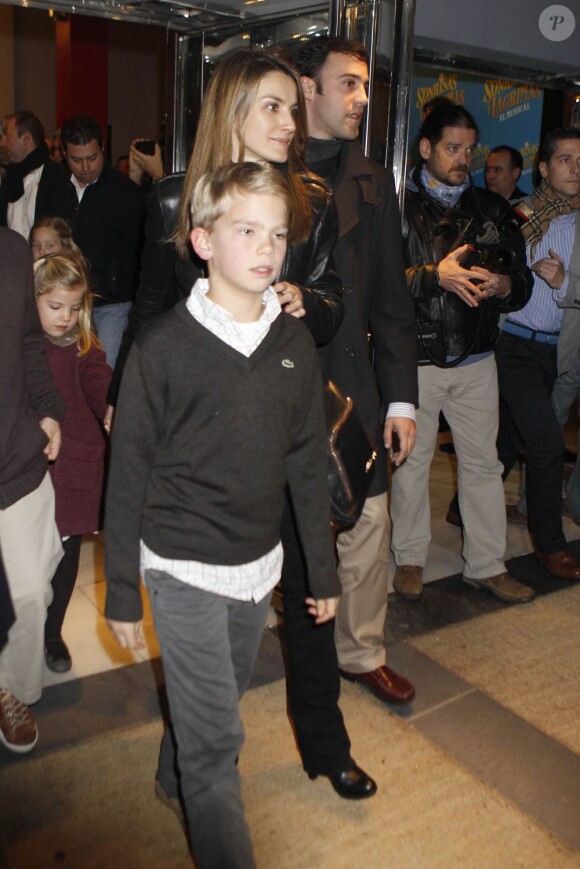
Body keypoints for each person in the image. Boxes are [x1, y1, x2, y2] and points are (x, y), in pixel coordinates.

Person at [110, 49, 375, 801]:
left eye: (294, 108)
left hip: (282, 413)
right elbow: (150, 301)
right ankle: (189, 760)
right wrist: (123, 398)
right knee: (203, 640)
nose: (290, 122)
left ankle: (326, 746)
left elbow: (333, 305)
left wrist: (298, 296)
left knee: (308, 578)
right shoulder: (174, 199)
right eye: (273, 106)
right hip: (194, 426)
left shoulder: (312, 196)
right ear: (232, 110)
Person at [105, 161, 340, 868]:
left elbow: (306, 464)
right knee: (217, 747)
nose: (267, 248)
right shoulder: (162, 347)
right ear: (203, 240)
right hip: (179, 563)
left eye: (277, 233)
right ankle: (196, 784)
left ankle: (168, 773)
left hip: (256, 564)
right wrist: (121, 584)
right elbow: (128, 473)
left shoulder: (293, 343)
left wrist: (321, 574)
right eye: (246, 231)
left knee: (215, 698)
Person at [290, 37, 418, 711]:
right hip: (279, 382)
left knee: (368, 522)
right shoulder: (262, 171)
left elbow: (394, 305)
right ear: (308, 89)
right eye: (348, 84)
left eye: (365, 85)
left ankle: (361, 649)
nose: (361, 98)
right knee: (273, 517)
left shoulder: (372, 181)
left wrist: (402, 400)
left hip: (354, 381)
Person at [390, 103, 536, 604]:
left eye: (470, 150)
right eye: (453, 148)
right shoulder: (397, 206)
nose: (463, 159)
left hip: (478, 359)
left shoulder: (491, 208)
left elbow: (523, 283)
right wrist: (437, 276)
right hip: (417, 358)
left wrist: (502, 284)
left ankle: (488, 564)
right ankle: (409, 557)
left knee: (483, 465)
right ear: (425, 148)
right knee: (412, 462)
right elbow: (378, 285)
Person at [496, 127, 580, 579]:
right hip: (514, 346)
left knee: (513, 434)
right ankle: (550, 544)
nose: (576, 168)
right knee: (547, 442)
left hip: (558, 353)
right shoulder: (519, 219)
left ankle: (456, 506)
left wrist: (563, 281)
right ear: (544, 168)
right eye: (565, 159)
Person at [0, 227, 65, 754]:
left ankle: (9, 688)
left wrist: (45, 410)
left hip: (14, 456)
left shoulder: (11, 248)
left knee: (28, 593)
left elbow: (26, 340)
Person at [34, 254, 112, 672]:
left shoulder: (84, 344)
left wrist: (109, 408)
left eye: (74, 307)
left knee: (64, 562)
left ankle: (52, 634)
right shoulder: (22, 343)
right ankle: (25, 631)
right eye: (55, 306)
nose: (65, 317)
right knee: (31, 562)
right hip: (31, 467)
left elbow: (97, 378)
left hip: (75, 464)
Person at [59, 115, 146, 367]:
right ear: (64, 154)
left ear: (103, 149)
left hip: (112, 302)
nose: (86, 167)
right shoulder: (57, 188)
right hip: (68, 301)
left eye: (92, 157)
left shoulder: (125, 192)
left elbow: (143, 249)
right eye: (77, 160)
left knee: (104, 375)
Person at [0, 111, 72, 238]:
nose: (2, 142)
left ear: (26, 138)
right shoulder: (9, 178)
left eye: (7, 136)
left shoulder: (56, 176)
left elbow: (62, 229)